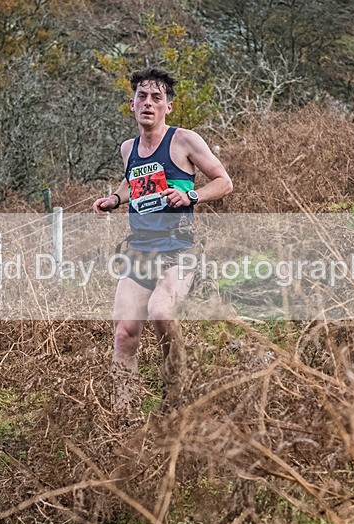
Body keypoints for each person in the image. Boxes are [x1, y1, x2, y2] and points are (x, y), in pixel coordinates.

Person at [92, 67, 233, 421]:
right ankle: (124, 419)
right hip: (140, 248)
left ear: (168, 106)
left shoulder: (185, 140)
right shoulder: (128, 149)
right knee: (124, 332)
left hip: (178, 247)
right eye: (142, 96)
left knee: (160, 311)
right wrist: (114, 199)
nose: (148, 103)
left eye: (157, 98)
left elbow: (224, 182)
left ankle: (176, 389)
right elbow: (133, 183)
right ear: (132, 104)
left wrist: (191, 195)